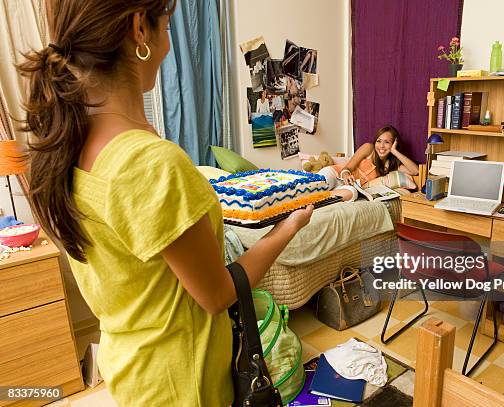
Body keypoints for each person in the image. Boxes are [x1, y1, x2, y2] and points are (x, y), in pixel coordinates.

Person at [18, 1, 313, 406]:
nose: (169, 45)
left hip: (131, 367)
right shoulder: (150, 163)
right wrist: (288, 227)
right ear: (140, 28)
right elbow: (217, 294)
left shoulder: (69, 147)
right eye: (168, 27)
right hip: (181, 380)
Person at [318, 125, 419, 201]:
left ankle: (318, 199)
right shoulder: (368, 148)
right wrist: (346, 175)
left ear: (394, 144)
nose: (381, 146)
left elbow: (415, 171)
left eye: (387, 142)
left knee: (351, 194)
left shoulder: (391, 166)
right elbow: (348, 167)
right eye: (379, 141)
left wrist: (395, 151)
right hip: (335, 174)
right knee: (317, 186)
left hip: (348, 187)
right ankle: (312, 196)